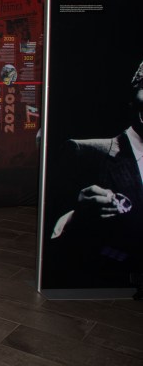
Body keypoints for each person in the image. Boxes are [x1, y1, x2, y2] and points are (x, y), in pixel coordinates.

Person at [45, 60, 143, 295]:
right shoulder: (84, 153)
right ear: (132, 97)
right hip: (105, 293)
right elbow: (49, 245)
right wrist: (76, 217)